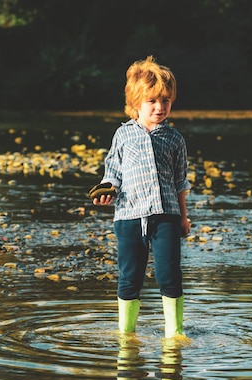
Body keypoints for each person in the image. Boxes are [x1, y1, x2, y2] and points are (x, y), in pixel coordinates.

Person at [92, 55, 191, 339]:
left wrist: (184, 217)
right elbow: (112, 172)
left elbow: (180, 181)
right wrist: (106, 190)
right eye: (152, 101)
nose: (160, 107)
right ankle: (127, 333)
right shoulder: (123, 135)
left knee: (169, 275)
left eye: (166, 101)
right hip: (128, 216)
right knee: (129, 275)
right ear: (136, 103)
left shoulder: (174, 139)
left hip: (167, 216)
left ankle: (175, 333)